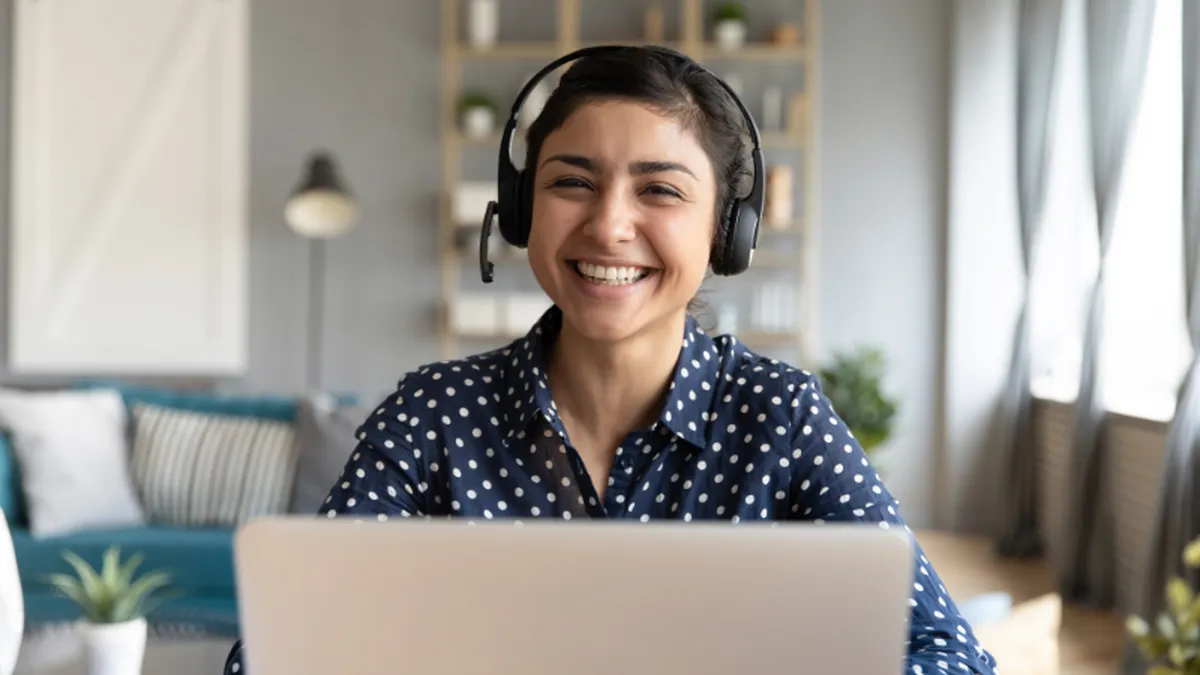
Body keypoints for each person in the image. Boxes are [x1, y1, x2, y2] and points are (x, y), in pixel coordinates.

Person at [223, 45, 998, 675]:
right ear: (522, 209)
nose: (609, 224)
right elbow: (276, 650)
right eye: (572, 182)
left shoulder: (782, 417)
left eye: (659, 190)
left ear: (724, 234)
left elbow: (951, 654)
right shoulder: (433, 413)